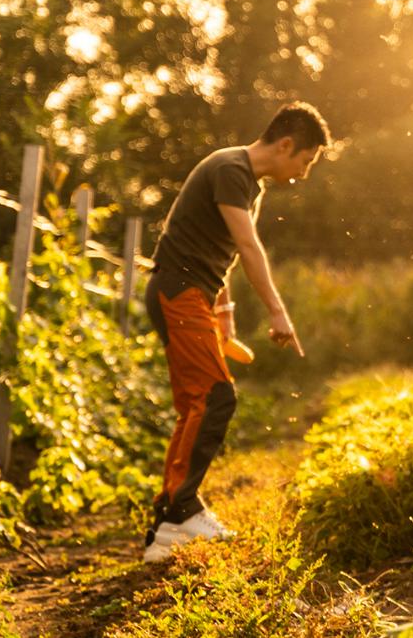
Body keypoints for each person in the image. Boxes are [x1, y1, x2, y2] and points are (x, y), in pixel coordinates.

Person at [141, 102, 328, 564]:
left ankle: (169, 517)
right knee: (215, 398)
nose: (303, 175)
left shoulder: (248, 184)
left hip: (191, 294)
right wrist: (278, 312)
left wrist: (224, 319)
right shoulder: (231, 169)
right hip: (178, 292)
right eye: (304, 161)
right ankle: (180, 513)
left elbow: (216, 254)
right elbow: (246, 246)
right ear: (285, 145)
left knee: (196, 404)